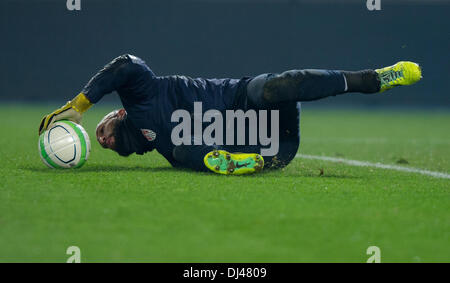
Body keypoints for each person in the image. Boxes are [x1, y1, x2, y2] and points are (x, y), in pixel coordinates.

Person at [38, 54, 422, 175]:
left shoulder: (143, 97)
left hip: (244, 98)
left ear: (117, 112)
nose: (102, 139)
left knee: (276, 87)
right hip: (274, 149)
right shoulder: (169, 151)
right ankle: (236, 161)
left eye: (101, 131)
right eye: (103, 145)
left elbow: (126, 64)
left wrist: (80, 105)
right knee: (189, 154)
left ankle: (374, 79)